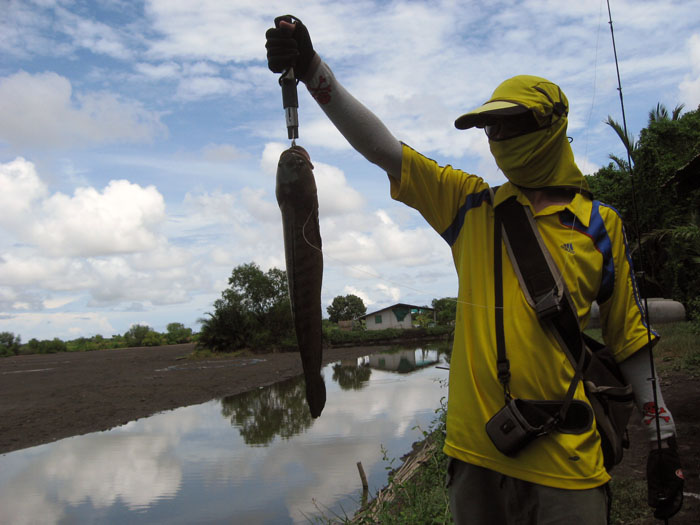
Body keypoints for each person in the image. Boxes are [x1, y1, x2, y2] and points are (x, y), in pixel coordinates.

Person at [266, 16, 684, 524]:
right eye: (491, 126)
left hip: (569, 465)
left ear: (551, 128)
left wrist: (663, 441)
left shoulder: (601, 225)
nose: (497, 136)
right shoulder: (468, 206)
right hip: (475, 456)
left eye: (511, 123)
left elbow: (630, 340)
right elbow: (382, 149)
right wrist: (312, 71)